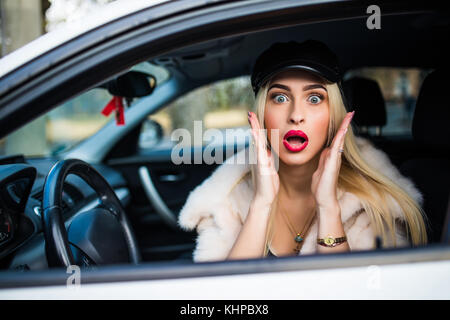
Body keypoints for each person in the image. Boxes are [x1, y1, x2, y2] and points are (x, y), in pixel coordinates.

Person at [178, 40, 428, 262]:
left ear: (334, 115)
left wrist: (328, 206)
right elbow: (226, 300)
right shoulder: (226, 201)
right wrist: (261, 203)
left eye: (315, 98)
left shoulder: (375, 206)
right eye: (280, 98)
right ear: (262, 114)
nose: (296, 116)